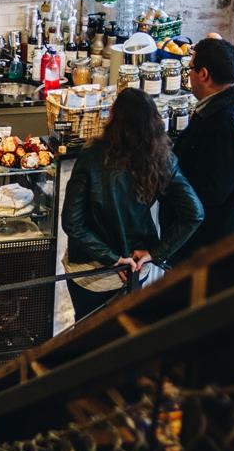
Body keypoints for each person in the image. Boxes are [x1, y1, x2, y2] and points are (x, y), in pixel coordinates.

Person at [62, 89, 204, 321]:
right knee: (127, 330)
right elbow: (194, 213)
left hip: (90, 270)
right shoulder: (163, 159)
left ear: (114, 119)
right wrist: (157, 253)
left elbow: (72, 222)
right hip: (136, 266)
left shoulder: (91, 157)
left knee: (86, 336)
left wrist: (112, 258)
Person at [171, 38, 234, 260]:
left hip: (211, 244)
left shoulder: (223, 123)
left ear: (203, 74)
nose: (189, 74)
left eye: (191, 69)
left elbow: (211, 190)